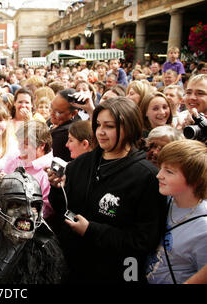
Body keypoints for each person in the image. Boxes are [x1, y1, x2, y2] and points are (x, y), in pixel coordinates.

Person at [48, 97, 167, 283]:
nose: (101, 132)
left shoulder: (147, 177)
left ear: (128, 127)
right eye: (98, 124)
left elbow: (144, 240)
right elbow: (63, 208)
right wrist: (56, 189)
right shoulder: (80, 164)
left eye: (109, 126)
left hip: (116, 271)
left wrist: (91, 230)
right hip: (73, 268)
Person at [147, 139, 207, 284]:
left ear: (196, 179)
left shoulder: (203, 228)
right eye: (161, 168)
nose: (159, 175)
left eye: (169, 171)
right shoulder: (163, 201)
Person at [4, 120, 54, 220]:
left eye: (26, 144)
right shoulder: (15, 159)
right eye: (20, 142)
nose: (20, 147)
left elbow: (48, 209)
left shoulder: (49, 173)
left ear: (41, 146)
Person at [49, 88, 81, 162]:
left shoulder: (66, 133)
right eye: (51, 107)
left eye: (58, 112)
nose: (52, 113)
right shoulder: (53, 121)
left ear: (73, 113)